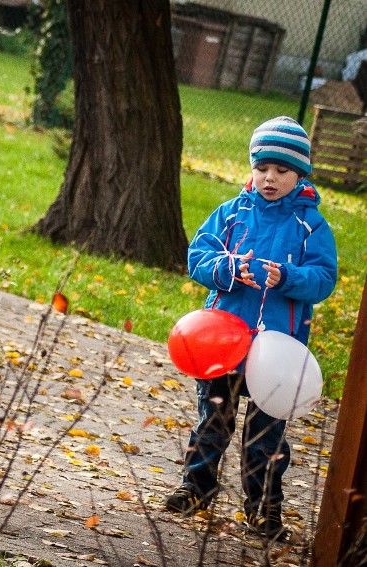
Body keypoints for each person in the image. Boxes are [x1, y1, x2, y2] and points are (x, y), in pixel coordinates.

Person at [165, 116, 337, 540]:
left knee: (266, 434)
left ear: (300, 174)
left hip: (277, 350)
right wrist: (229, 268)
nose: (270, 178)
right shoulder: (231, 213)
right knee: (213, 418)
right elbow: (198, 257)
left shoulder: (310, 224)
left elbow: (323, 278)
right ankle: (197, 487)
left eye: (281, 170)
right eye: (262, 168)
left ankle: (263, 508)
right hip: (222, 341)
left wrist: (290, 278)